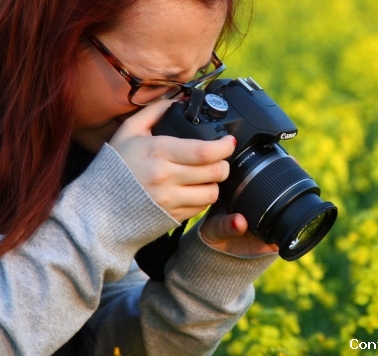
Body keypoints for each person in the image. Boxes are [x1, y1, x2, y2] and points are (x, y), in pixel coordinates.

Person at [0, 0, 279, 355]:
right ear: (52, 37)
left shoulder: (85, 140)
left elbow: (91, 343)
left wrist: (207, 281)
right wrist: (101, 216)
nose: (170, 110)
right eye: (151, 81)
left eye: (192, 80)